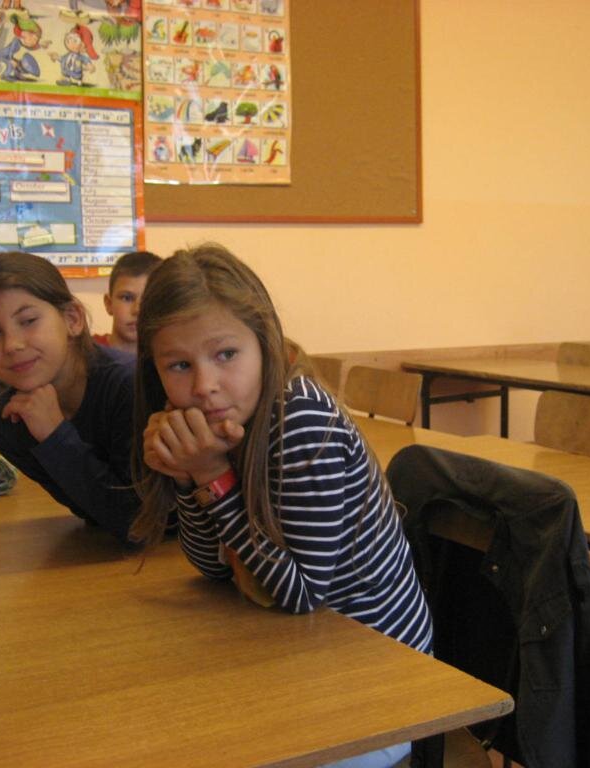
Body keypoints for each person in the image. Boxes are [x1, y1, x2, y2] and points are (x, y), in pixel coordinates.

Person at [131, 243, 432, 768]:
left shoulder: (300, 420)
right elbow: (212, 568)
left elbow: (300, 594)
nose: (204, 386)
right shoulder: (221, 423)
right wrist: (187, 477)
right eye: (179, 365)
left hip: (380, 679)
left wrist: (211, 476)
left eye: (226, 354)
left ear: (264, 342)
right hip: (297, 654)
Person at [0, 251, 139, 541]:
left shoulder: (129, 385)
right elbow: (91, 512)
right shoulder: (5, 421)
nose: (12, 344)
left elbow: (139, 522)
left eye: (28, 320)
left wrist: (55, 435)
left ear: (72, 319)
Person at [93, 249, 162, 354]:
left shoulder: (170, 357)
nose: (137, 310)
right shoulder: (85, 353)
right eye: (127, 298)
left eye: (148, 299)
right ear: (109, 304)